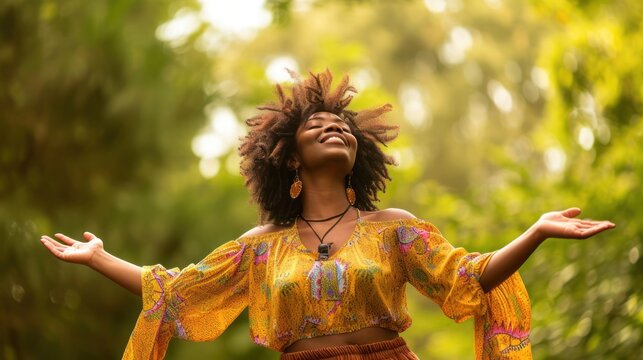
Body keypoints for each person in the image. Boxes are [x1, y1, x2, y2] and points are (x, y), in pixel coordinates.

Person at [40, 70, 615, 360]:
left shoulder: (394, 227)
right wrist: (99, 258)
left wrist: (536, 231)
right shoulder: (260, 246)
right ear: (289, 156)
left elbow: (468, 278)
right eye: (316, 126)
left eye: (342, 126)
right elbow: (178, 294)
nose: (334, 127)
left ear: (358, 156)